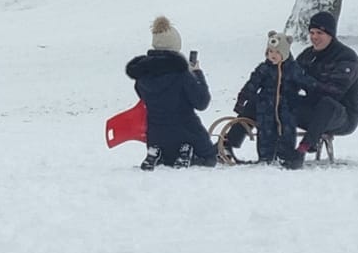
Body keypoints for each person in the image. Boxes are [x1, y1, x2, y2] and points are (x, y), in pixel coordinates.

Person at [125, 15, 214, 169]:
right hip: (187, 133)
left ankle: (155, 153)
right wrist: (197, 73)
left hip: (156, 136)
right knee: (210, 158)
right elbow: (201, 102)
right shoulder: (182, 74)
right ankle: (187, 153)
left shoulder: (142, 75)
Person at [228, 31, 304, 168]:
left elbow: (305, 82)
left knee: (286, 131)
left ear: (285, 53)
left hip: (287, 107)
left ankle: (285, 156)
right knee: (265, 132)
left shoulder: (293, 69)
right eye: (270, 52)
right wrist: (242, 99)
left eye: (276, 52)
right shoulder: (264, 69)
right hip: (266, 106)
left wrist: (317, 89)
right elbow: (252, 84)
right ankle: (265, 157)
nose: (272, 55)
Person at [292, 11, 358, 156]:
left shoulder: (346, 57)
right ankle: (238, 138)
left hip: (342, 115)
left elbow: (335, 92)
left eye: (319, 33)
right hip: (313, 109)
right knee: (275, 99)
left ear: (330, 34)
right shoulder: (307, 56)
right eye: (312, 32)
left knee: (327, 103)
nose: (314, 37)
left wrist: (306, 80)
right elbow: (292, 80)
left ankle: (304, 148)